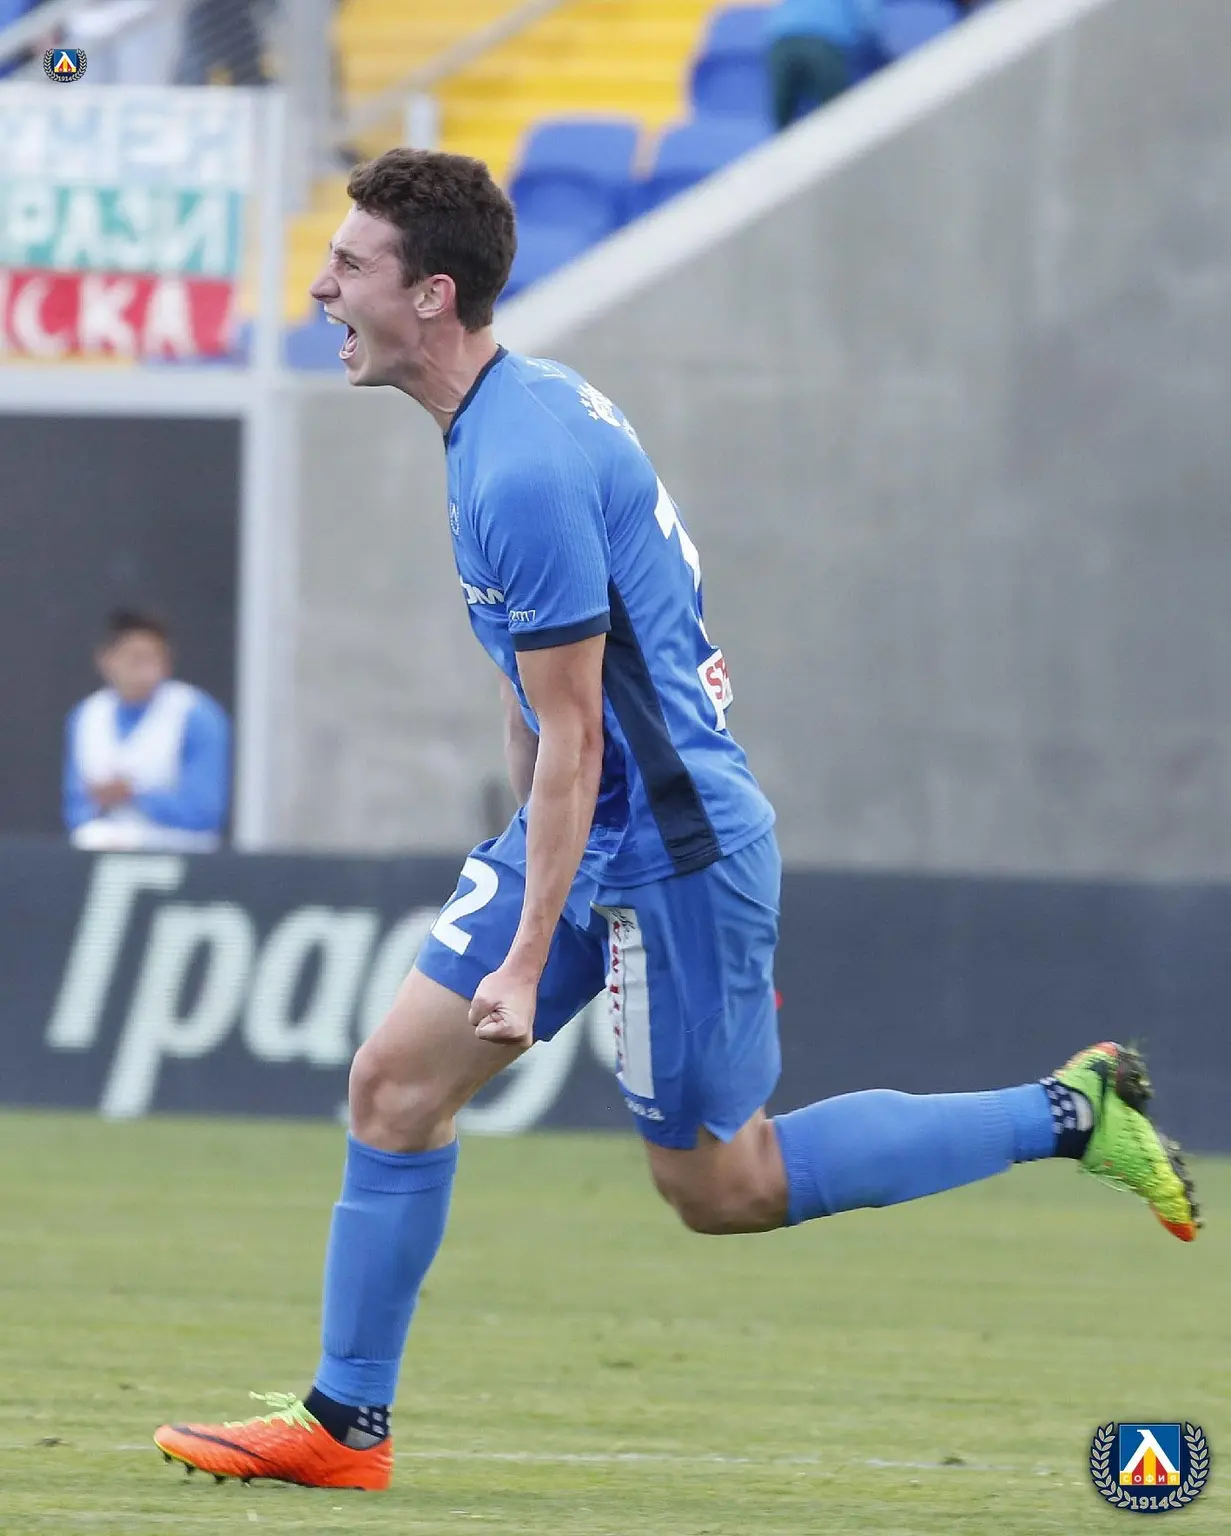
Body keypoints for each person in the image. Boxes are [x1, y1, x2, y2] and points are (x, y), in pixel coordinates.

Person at [153, 149, 1200, 1492]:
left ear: (431, 294)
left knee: (722, 1188)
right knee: (392, 1088)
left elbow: (580, 732)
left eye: (347, 266)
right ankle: (345, 1424)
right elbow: (542, 707)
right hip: (586, 823)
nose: (320, 288)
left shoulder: (521, 465)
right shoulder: (503, 421)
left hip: (673, 855)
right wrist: (521, 868)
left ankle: (1063, 1111)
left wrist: (526, 952)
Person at [63, 609, 230, 852]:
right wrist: (100, 801)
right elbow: (75, 808)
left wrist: (135, 794)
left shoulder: (195, 714)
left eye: (155, 659)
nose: (146, 672)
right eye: (135, 659)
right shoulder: (87, 715)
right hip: (102, 850)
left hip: (178, 852)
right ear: (106, 660)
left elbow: (205, 811)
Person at [765, 0, 882, 130]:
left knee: (783, 119)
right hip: (823, 41)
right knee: (838, 112)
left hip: (780, 40)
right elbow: (869, 19)